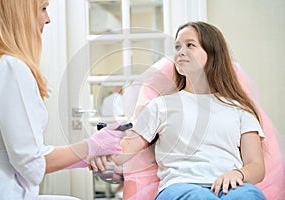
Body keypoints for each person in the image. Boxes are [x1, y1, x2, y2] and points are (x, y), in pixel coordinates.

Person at [0, 0, 126, 199]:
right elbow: (31, 165)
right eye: (43, 8)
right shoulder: (10, 67)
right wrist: (91, 146)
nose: (48, 19)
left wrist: (85, 154)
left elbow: (26, 151)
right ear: (19, 13)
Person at [111, 21, 267, 199]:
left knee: (249, 195)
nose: (180, 52)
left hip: (231, 186)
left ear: (213, 53)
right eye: (177, 47)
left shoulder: (239, 109)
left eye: (190, 45)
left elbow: (256, 166)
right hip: (179, 186)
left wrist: (238, 174)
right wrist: (101, 147)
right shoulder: (161, 106)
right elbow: (122, 153)